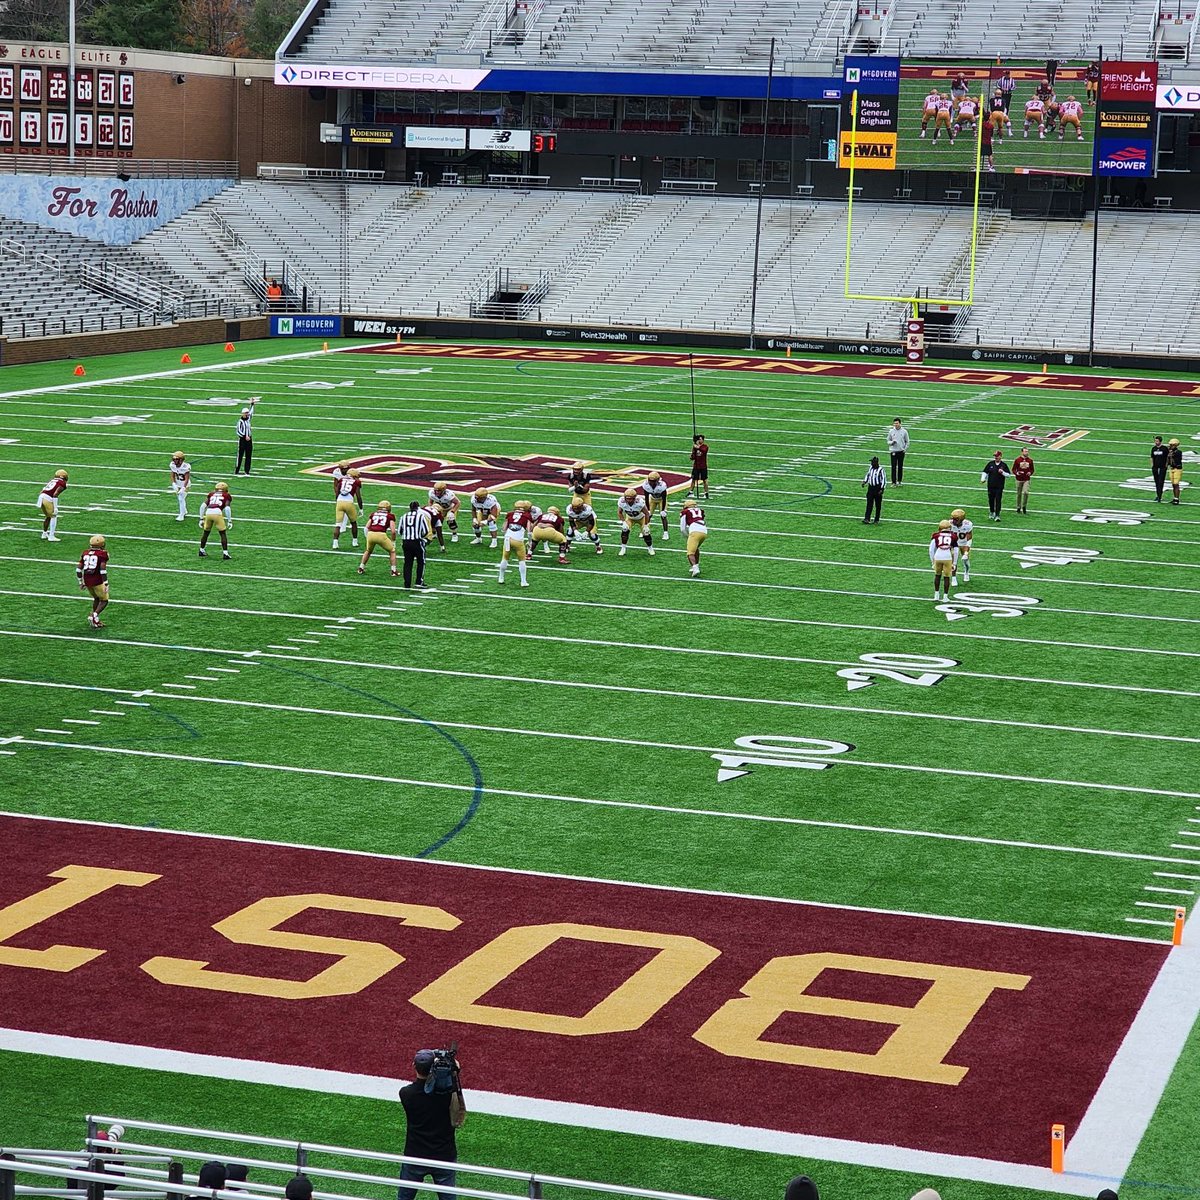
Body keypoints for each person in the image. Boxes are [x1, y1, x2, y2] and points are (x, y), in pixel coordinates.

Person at [397, 1049, 465, 1200]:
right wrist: (453, 1075)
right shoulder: (447, 1095)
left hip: (415, 1155)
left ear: (413, 1065)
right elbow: (459, 1110)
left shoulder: (406, 1094)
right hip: (444, 1156)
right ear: (433, 1068)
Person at [498, 499, 534, 587]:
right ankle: (523, 581)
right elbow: (529, 531)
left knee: (505, 558)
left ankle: (501, 578)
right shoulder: (527, 515)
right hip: (518, 540)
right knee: (522, 561)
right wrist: (530, 542)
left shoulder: (510, 514)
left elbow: (503, 528)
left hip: (508, 538)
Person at [77, 534, 110, 629]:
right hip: (97, 580)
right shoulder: (103, 554)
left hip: (87, 580)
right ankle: (94, 615)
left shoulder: (85, 553)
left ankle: (96, 619)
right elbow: (102, 569)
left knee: (96, 598)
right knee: (104, 600)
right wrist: (106, 582)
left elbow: (78, 569)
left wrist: (80, 581)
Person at [359, 500, 399, 577]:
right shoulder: (390, 516)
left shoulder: (374, 514)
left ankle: (361, 567)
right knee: (392, 551)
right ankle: (394, 571)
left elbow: (366, 528)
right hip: (381, 535)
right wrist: (393, 541)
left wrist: (367, 537)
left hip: (370, 534)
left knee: (368, 551)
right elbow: (393, 531)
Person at [398, 501, 431, 588]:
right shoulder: (421, 516)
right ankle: (419, 582)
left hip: (406, 542)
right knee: (421, 562)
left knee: (408, 563)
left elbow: (400, 531)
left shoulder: (403, 516)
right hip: (417, 541)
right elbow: (425, 531)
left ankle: (407, 583)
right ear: (418, 507)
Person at [198, 481, 233, 559]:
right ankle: (225, 553)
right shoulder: (226, 495)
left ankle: (201, 550)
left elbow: (203, 506)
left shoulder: (211, 494)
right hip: (217, 513)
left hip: (208, 512)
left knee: (206, 533)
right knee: (222, 533)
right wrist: (229, 520)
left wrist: (201, 518)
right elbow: (227, 508)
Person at [616, 488, 655, 557]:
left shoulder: (639, 502)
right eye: (627, 498)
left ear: (635, 498)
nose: (629, 500)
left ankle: (650, 548)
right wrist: (623, 522)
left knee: (646, 532)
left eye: (631, 498)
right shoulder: (622, 502)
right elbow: (619, 512)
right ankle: (623, 548)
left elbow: (646, 513)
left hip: (641, 518)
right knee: (625, 529)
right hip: (630, 518)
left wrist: (646, 525)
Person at [332, 468, 362, 549]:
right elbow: (358, 496)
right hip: (349, 503)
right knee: (353, 523)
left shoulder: (341, 480)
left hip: (339, 502)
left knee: (338, 525)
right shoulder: (356, 482)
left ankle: (335, 543)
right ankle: (354, 542)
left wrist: (337, 501)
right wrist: (361, 508)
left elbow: (337, 492)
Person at [38, 469, 69, 541]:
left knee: (48, 516)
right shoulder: (62, 483)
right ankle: (51, 536)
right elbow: (55, 495)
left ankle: (44, 534)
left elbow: (42, 490)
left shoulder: (52, 480)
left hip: (41, 497)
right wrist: (55, 507)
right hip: (47, 498)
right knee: (54, 516)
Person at [930, 519, 957, 601]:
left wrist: (932, 561)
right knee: (946, 577)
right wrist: (954, 563)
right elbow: (956, 550)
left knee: (937, 575)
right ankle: (945, 597)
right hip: (947, 556)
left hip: (938, 555)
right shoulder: (953, 536)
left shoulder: (936, 535)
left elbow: (931, 549)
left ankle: (936, 595)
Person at [679, 500, 708, 577]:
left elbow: (682, 528)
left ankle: (695, 568)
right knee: (695, 548)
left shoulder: (685, 511)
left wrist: (687, 535)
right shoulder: (700, 510)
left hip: (695, 531)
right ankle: (696, 565)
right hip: (704, 531)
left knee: (690, 552)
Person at [982, 451, 1011, 521]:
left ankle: (997, 515)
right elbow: (985, 472)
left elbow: (1008, 475)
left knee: (998, 500)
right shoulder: (990, 464)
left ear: (1001, 456)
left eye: (997, 456)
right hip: (990, 486)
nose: (996, 457)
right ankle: (992, 512)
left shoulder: (1004, 465)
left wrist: (1003, 472)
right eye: (995, 456)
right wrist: (983, 478)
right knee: (991, 500)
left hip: (999, 486)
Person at [641, 471, 671, 540]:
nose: (651, 482)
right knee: (648, 515)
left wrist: (663, 509)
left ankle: (666, 533)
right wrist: (647, 509)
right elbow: (646, 497)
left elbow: (664, 498)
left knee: (663, 516)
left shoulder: (662, 486)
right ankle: (644, 530)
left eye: (653, 481)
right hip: (652, 499)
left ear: (657, 480)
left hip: (661, 500)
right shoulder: (646, 485)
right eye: (650, 481)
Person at [949, 507, 973, 585]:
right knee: (953, 561)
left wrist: (966, 552)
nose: (953, 521)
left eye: (956, 519)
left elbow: (969, 539)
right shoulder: (949, 524)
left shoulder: (968, 525)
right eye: (953, 519)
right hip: (954, 544)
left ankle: (966, 572)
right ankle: (953, 577)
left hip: (963, 543)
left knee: (965, 560)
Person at [235, 398, 258, 475]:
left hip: (249, 439)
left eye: (247, 413)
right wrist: (245, 436)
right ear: (242, 413)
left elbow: (252, 412)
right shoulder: (240, 422)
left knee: (248, 455)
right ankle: (237, 470)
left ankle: (247, 470)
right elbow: (238, 431)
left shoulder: (248, 419)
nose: (247, 414)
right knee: (240, 455)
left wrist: (252, 404)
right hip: (243, 440)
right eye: (245, 413)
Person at [861, 456, 886, 523]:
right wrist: (864, 481)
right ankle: (867, 518)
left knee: (878, 505)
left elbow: (883, 479)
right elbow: (868, 475)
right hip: (871, 488)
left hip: (877, 488)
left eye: (872, 462)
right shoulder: (871, 468)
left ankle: (876, 519)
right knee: (869, 503)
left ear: (876, 462)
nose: (871, 463)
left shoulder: (881, 469)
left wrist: (882, 489)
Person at [169, 451, 191, 522]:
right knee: (181, 498)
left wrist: (184, 487)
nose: (174, 461)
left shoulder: (185, 467)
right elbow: (172, 475)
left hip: (185, 484)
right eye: (174, 459)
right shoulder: (172, 465)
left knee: (181, 498)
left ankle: (182, 515)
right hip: (178, 484)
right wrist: (173, 483)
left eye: (176, 459)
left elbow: (187, 479)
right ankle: (184, 511)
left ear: (181, 459)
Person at [1012, 448, 1035, 513]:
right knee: (1019, 494)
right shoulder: (1017, 460)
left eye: (1027, 451)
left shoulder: (1030, 460)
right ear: (1022, 452)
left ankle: (1024, 506)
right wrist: (1016, 473)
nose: (1027, 452)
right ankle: (1018, 507)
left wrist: (1030, 473)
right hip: (1019, 479)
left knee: (1026, 492)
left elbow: (1032, 469)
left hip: (1026, 479)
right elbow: (1013, 469)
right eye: (1025, 451)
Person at [886, 418, 908, 485]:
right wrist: (892, 443)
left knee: (900, 467)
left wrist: (905, 449)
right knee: (893, 467)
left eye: (897, 423)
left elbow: (907, 441)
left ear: (900, 423)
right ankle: (893, 482)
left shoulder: (904, 431)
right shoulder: (891, 431)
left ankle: (899, 481)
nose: (895, 425)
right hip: (893, 451)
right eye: (894, 423)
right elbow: (888, 440)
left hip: (901, 451)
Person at [690, 433, 710, 498]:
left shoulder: (705, 446)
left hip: (703, 466)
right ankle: (691, 492)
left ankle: (706, 493)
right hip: (696, 466)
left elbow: (704, 451)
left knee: (705, 480)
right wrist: (693, 451)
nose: (699, 440)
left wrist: (698, 447)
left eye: (700, 439)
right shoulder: (695, 447)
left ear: (703, 440)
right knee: (694, 479)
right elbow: (692, 457)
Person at [1150, 435, 1169, 502]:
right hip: (1155, 467)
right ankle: (1158, 495)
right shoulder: (1153, 448)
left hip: (1162, 467)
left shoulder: (1164, 448)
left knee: (1161, 482)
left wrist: (1166, 466)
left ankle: (1159, 496)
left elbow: (1167, 458)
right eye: (1155, 441)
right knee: (1156, 482)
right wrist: (1152, 466)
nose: (1156, 442)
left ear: (1160, 441)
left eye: (1157, 441)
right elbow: (1152, 457)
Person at [1167, 437, 1184, 504]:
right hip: (1171, 469)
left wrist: (1170, 454)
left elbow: (1175, 459)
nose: (1170, 446)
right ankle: (1175, 498)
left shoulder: (1178, 452)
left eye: (1172, 445)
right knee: (1173, 484)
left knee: (1176, 484)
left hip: (1177, 469)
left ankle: (1177, 499)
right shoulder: (1170, 452)